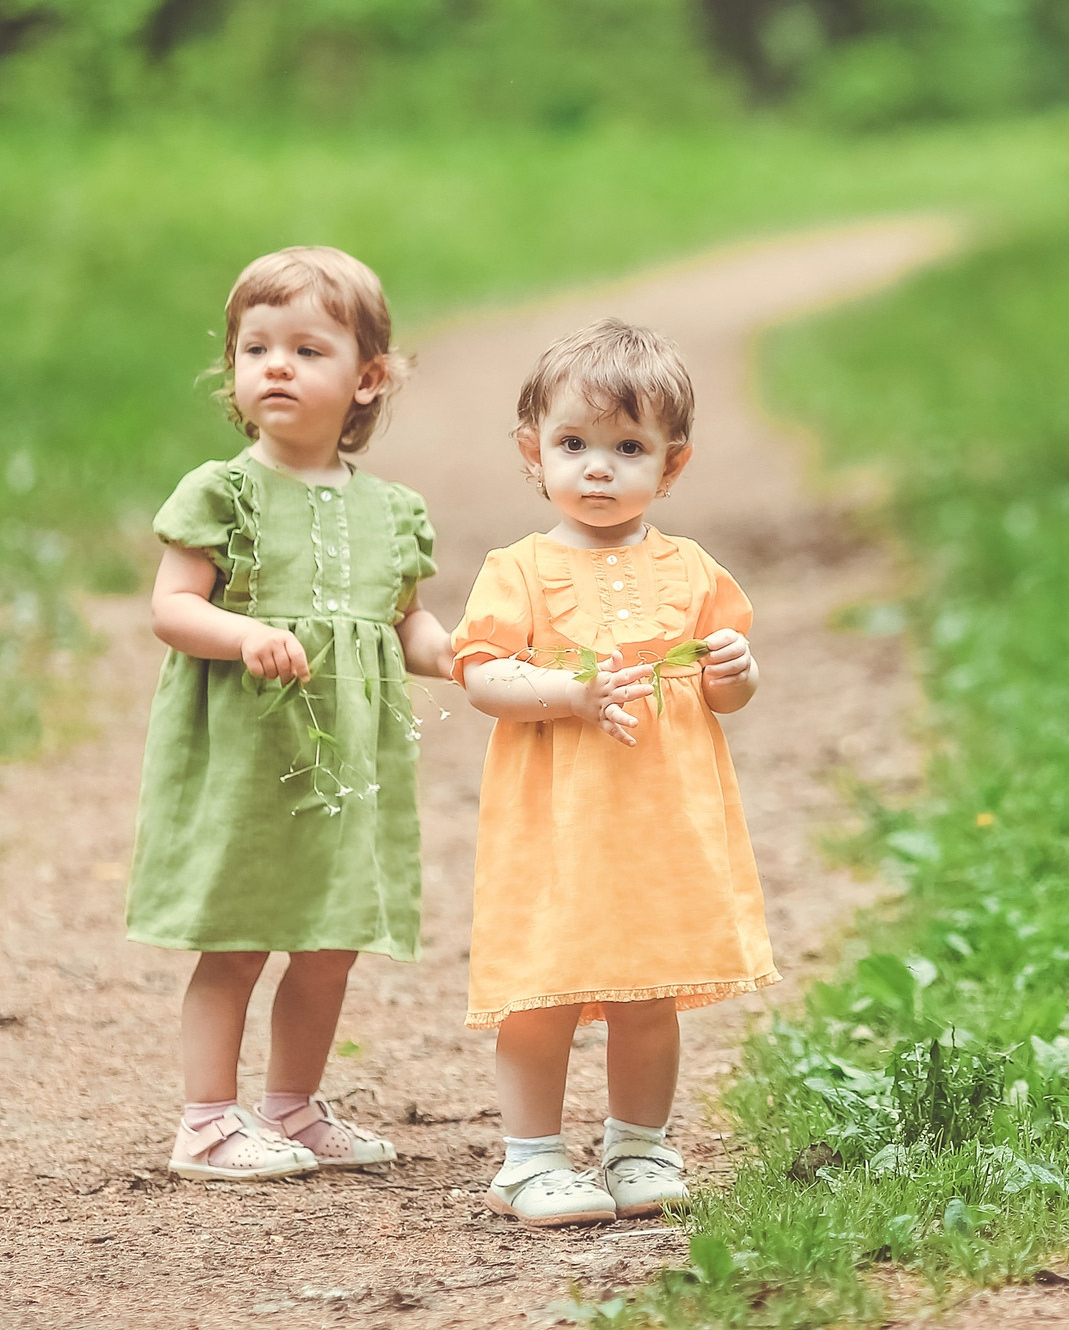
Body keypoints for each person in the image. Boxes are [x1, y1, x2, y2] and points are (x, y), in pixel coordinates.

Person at [127, 246, 453, 1181]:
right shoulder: (221, 491)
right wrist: (239, 635)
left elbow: (408, 623)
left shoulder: (393, 510)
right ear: (231, 369)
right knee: (238, 936)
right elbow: (171, 607)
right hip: (244, 751)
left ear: (369, 378)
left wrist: (462, 655)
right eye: (255, 347)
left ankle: (294, 1107)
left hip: (344, 761)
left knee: (329, 940)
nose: (276, 365)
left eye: (308, 349)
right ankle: (205, 1120)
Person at [450, 318, 771, 1226]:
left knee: (649, 988)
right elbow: (481, 675)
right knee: (545, 983)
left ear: (671, 466)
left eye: (628, 447)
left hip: (659, 825)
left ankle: (638, 1141)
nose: (598, 467)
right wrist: (567, 691)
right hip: (557, 821)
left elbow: (725, 691)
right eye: (574, 444)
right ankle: (530, 1157)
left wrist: (734, 673)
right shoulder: (518, 569)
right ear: (533, 452)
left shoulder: (695, 571)